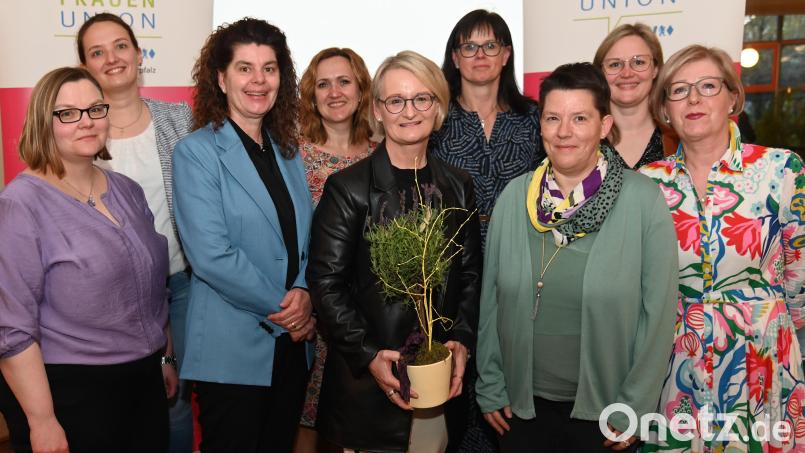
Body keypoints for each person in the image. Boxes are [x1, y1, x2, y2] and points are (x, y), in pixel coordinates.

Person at [475, 63, 679, 453]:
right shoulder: (515, 198)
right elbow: (490, 302)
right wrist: (490, 383)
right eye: (553, 118)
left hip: (606, 419)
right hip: (520, 412)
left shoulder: (643, 201)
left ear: (604, 126)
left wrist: (634, 407)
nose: (564, 131)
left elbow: (658, 316)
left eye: (579, 118)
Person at [308, 50, 482, 453]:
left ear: (437, 107)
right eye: (396, 101)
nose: (409, 111)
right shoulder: (348, 188)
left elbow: (471, 275)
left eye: (422, 98)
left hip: (439, 389)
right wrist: (368, 354)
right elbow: (325, 284)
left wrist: (461, 340)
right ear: (378, 111)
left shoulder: (457, 186)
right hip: (368, 391)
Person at [0, 67, 176, 453]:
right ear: (42, 123)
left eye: (95, 109)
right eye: (67, 113)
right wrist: (42, 422)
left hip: (143, 381)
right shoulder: (20, 205)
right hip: (70, 394)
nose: (86, 122)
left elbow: (150, 287)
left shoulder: (127, 190)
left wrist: (163, 358)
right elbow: (12, 330)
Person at [640, 45, 805, 452]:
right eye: (678, 90)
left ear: (733, 97)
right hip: (676, 364)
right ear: (664, 109)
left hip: (763, 361)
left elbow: (799, 278)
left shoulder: (782, 169)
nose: (693, 99)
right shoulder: (644, 184)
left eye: (707, 86)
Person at [172, 18, 314, 453]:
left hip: (291, 348)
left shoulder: (287, 150)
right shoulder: (196, 152)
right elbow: (212, 255)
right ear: (221, 77)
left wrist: (305, 290)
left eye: (269, 69)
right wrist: (288, 309)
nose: (259, 80)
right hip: (232, 349)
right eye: (245, 68)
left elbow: (304, 241)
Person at [75, 13, 194, 452]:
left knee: (174, 397)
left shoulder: (180, 120)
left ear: (139, 55)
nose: (112, 58)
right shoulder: (78, 130)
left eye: (121, 46)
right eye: (97, 52)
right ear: (85, 66)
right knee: (116, 403)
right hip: (109, 293)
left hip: (180, 283)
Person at [294, 47, 376, 453]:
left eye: (344, 81)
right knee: (306, 421)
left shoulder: (383, 156)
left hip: (365, 318)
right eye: (323, 84)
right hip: (309, 315)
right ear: (311, 95)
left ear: (362, 90)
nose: (334, 92)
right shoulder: (292, 156)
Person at [431, 9, 545, 244]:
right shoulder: (435, 118)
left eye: (490, 46)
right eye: (470, 47)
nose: (480, 56)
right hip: (449, 247)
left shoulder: (533, 118)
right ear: (455, 58)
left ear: (505, 55)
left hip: (520, 244)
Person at [593, 23, 676, 170]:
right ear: (600, 73)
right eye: (614, 64)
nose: (627, 73)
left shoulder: (678, 136)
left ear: (656, 69)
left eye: (638, 62)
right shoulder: (584, 135)